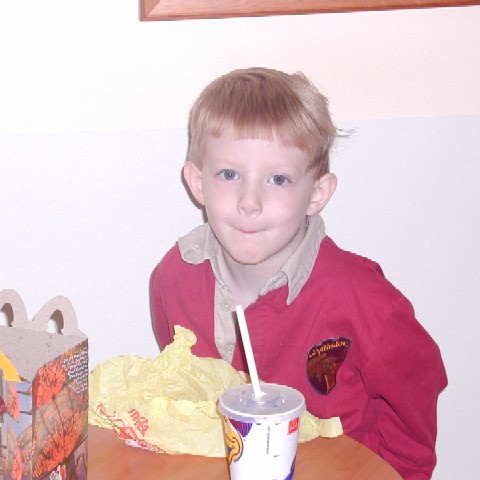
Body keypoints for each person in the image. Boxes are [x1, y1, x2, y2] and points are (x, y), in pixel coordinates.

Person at [150, 67, 447, 480]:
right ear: (198, 183)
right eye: (229, 174)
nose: (249, 202)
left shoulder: (366, 301)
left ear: (317, 193)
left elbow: (414, 399)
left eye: (278, 179)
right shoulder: (174, 278)